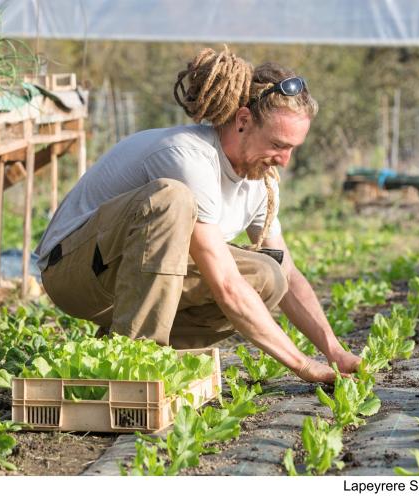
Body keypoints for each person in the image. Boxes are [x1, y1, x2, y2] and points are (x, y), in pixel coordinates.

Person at [36, 47, 361, 384]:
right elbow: (226, 285)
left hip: (124, 278)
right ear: (244, 121)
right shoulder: (188, 157)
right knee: (173, 200)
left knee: (269, 274)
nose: (284, 160)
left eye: (293, 148)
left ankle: (115, 348)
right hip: (72, 272)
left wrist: (333, 351)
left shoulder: (258, 181)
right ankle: (136, 364)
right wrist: (303, 365)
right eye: (278, 144)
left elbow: (290, 278)